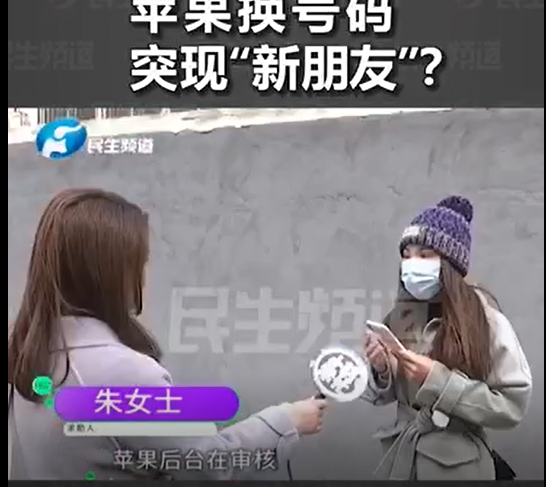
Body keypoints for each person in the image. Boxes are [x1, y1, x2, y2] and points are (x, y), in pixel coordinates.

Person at [8, 188, 328, 480]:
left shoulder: (31, 360)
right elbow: (208, 463)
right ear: (110, 272)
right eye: (140, 262)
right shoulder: (122, 374)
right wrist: (286, 421)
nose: (143, 275)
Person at [361, 195, 532, 480]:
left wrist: (438, 381)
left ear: (451, 263)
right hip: (403, 461)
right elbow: (388, 394)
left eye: (424, 255)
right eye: (406, 255)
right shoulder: (399, 317)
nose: (412, 264)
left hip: (458, 468)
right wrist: (381, 370)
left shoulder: (487, 323)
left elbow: (511, 406)